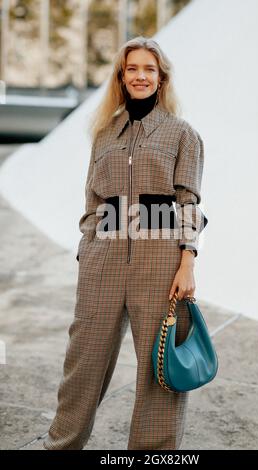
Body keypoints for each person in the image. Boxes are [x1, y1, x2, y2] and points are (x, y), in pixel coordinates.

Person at [43, 36, 208, 451]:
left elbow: (189, 203)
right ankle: (62, 445)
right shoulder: (104, 133)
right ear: (121, 76)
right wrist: (88, 250)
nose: (140, 75)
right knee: (83, 361)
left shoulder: (182, 134)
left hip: (160, 263)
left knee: (159, 369)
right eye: (132, 68)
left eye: (149, 69)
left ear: (161, 78)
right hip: (104, 260)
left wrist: (187, 261)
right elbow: (92, 203)